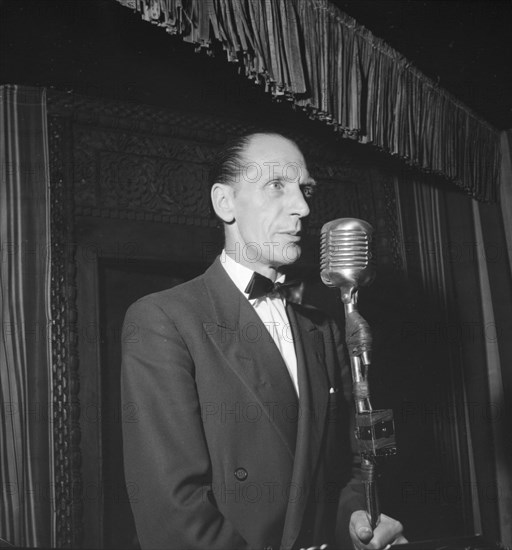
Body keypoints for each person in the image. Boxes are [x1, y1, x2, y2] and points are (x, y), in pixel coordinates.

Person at [121, 132, 407, 550]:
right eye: (276, 186)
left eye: (305, 190)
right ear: (225, 202)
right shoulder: (162, 319)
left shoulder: (324, 329)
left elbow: (339, 475)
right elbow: (172, 510)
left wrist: (358, 520)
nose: (303, 208)